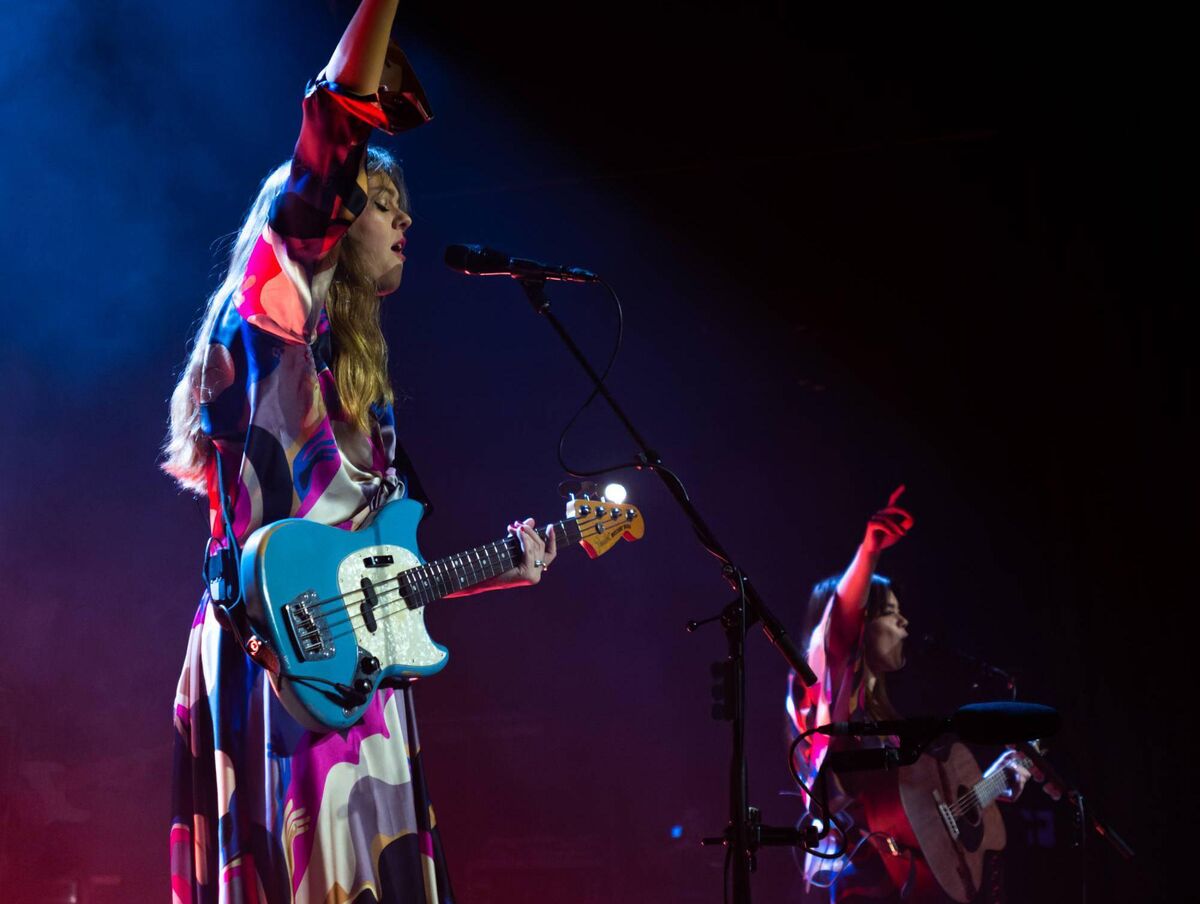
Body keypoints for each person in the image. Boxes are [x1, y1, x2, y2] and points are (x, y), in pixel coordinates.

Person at [162, 3, 555, 901]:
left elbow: (389, 567)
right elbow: (333, 130)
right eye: (381, 205)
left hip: (355, 670)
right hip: (275, 658)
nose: (403, 223)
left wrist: (507, 566)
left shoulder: (361, 396)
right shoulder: (272, 320)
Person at [786, 488, 1029, 903]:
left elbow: (921, 819)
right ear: (862, 625)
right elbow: (839, 631)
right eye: (888, 612)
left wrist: (990, 788)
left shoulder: (889, 720)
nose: (904, 622)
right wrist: (869, 552)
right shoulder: (828, 692)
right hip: (860, 882)